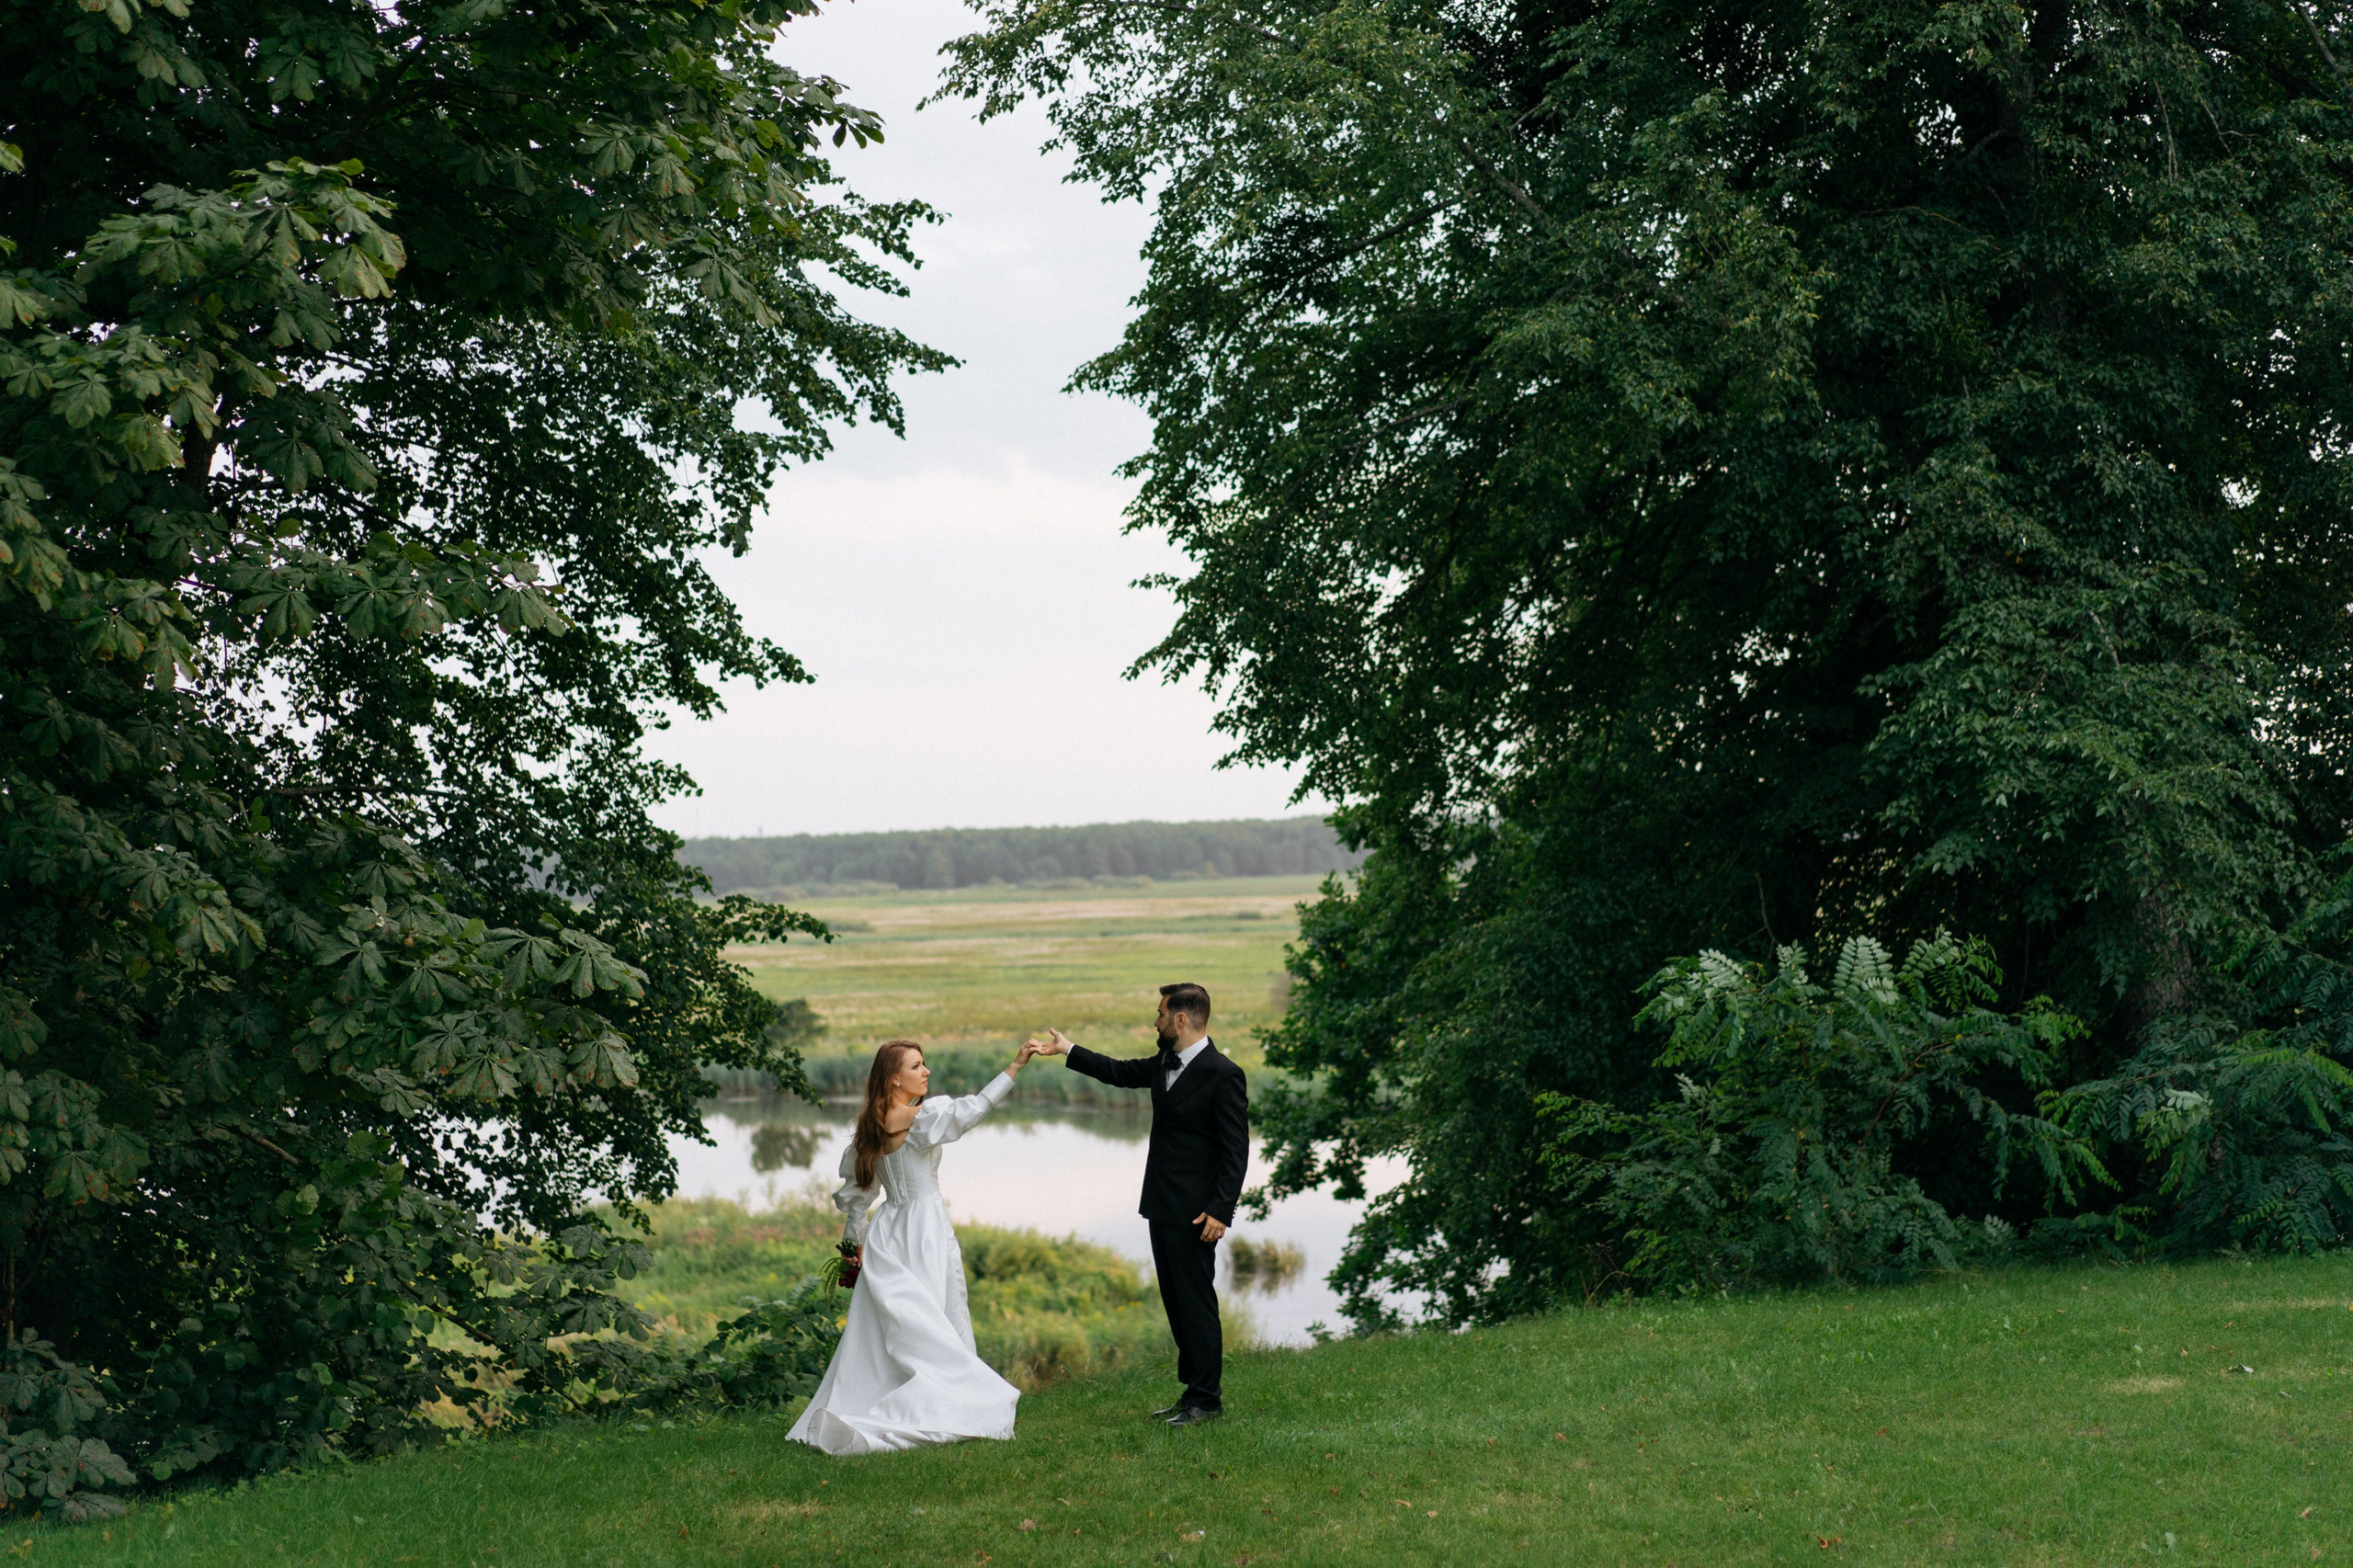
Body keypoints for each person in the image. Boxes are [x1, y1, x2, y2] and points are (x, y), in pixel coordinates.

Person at [787, 1036, 1043, 1455]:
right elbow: (975, 1108)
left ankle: (916, 1394)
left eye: (924, 1064)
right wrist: (1014, 1067)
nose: (926, 1071)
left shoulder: (870, 1128)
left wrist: (854, 1248)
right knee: (938, 1313)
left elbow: (859, 1200)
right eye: (916, 1066)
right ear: (893, 1078)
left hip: (889, 1231)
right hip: (924, 1227)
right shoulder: (922, 1119)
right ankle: (953, 1401)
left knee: (902, 1322)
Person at [1029, 982, 1248, 1426]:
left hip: (1197, 1213)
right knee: (1176, 1304)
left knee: (1196, 1304)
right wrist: (1069, 1049)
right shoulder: (1164, 1062)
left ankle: (1207, 1401)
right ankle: (1193, 1393)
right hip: (1161, 1204)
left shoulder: (1223, 1073)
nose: (1155, 1021)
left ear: (1181, 1019)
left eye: (1161, 1014)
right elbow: (1118, 1071)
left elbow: (1236, 1151)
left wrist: (1220, 1210)